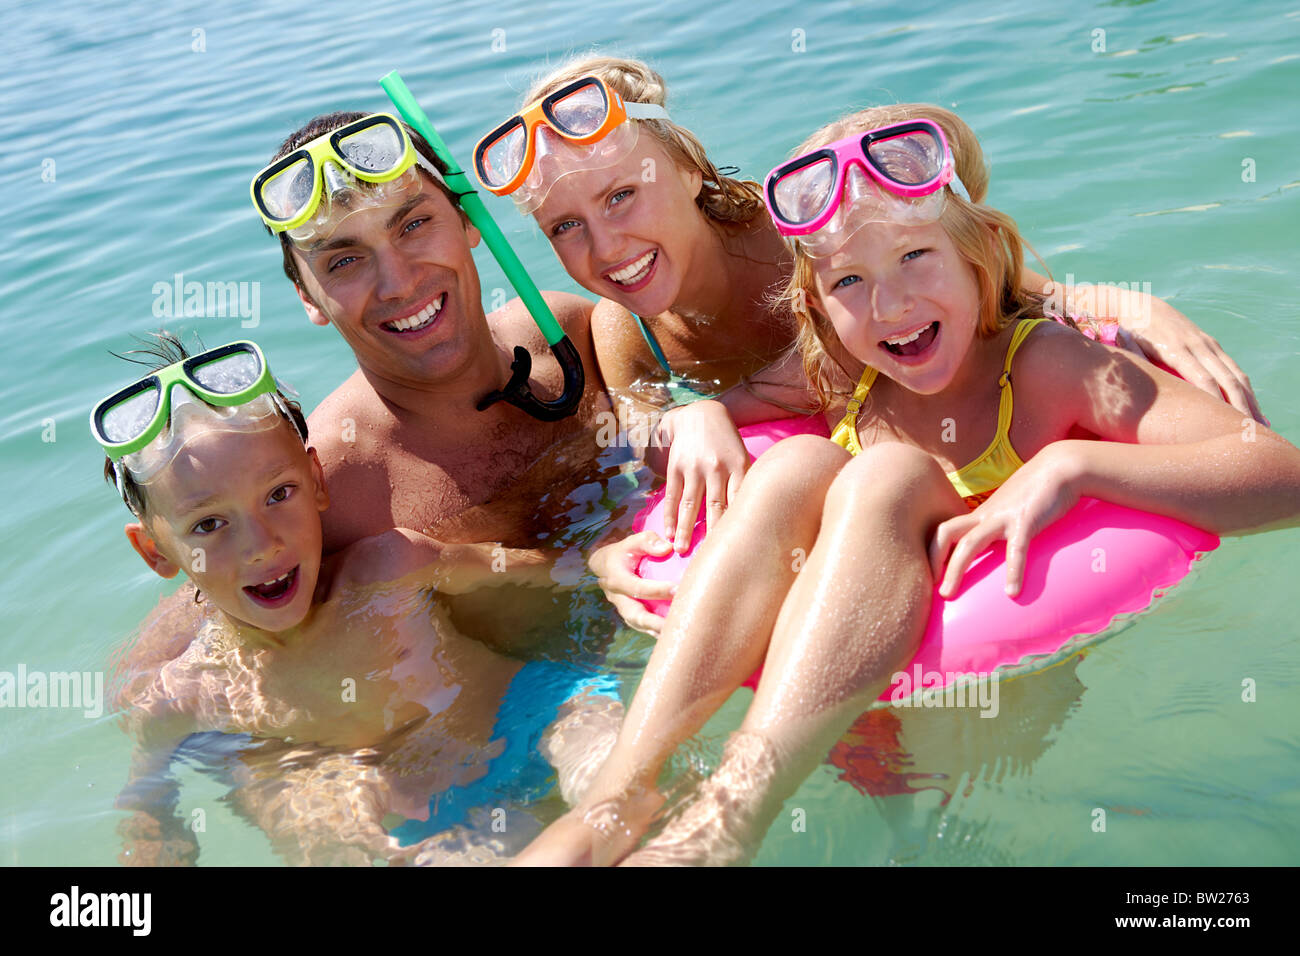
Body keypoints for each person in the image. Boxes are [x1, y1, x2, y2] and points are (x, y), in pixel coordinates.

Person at [512, 102, 1300, 865]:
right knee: (794, 464)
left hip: (987, 712)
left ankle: (727, 822)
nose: (888, 305)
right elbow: (703, 426)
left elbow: (1277, 472)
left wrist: (1074, 463)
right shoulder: (838, 366)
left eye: (915, 257)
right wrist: (696, 418)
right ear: (815, 306)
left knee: (885, 473)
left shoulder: (1052, 368)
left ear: (981, 254)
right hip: (839, 684)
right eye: (847, 281)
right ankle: (616, 802)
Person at [475, 55, 1268, 631]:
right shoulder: (626, 329)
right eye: (564, 228)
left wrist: (1126, 305)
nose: (607, 246)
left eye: (622, 195)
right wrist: (694, 417)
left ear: (686, 168)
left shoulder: (792, 226)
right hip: (842, 461)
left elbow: (969, 278)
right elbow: (648, 437)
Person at [118, 109, 628, 691]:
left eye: (412, 225)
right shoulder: (325, 488)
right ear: (307, 297)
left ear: (469, 222)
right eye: (344, 260)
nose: (399, 283)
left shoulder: (575, 337)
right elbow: (186, 634)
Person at [97, 336, 621, 865]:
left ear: (318, 480)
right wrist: (154, 834)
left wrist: (614, 560)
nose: (262, 545)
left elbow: (536, 571)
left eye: (279, 494)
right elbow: (147, 793)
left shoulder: (390, 566)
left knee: (618, 785)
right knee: (323, 819)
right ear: (155, 552)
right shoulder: (188, 691)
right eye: (209, 524)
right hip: (433, 815)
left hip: (539, 711)